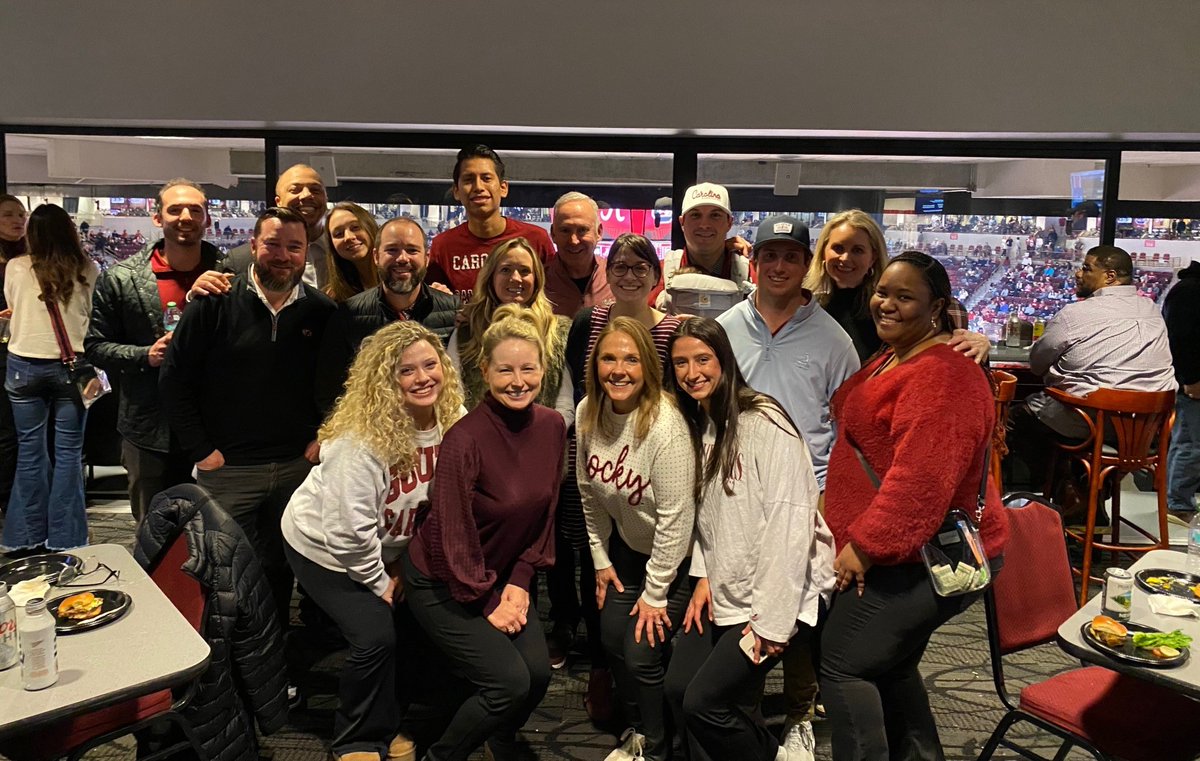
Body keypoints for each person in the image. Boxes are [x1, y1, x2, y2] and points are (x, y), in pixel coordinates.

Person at [820, 251, 1008, 761]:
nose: (887, 304)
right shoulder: (894, 355)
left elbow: (921, 483)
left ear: (936, 307)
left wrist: (866, 545)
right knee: (891, 665)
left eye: (905, 297)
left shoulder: (945, 375)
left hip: (920, 556)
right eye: (883, 292)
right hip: (898, 552)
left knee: (844, 665)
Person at [282, 321, 465, 761]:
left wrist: (403, 566)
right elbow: (348, 532)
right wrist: (380, 583)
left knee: (423, 616)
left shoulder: (452, 418)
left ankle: (402, 711)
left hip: (392, 546)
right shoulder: (360, 440)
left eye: (430, 364)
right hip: (324, 546)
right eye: (406, 371)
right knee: (375, 634)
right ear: (384, 382)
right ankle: (358, 738)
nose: (423, 378)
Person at [715, 215, 857, 759]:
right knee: (742, 601)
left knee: (800, 608)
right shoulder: (727, 325)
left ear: (806, 265)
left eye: (790, 257)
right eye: (769, 255)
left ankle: (799, 713)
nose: (778, 266)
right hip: (736, 488)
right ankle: (745, 709)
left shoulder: (833, 338)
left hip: (807, 490)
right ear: (756, 262)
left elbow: (848, 426)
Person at [664, 317, 835, 761]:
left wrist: (773, 623)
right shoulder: (700, 423)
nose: (691, 372)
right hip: (725, 585)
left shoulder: (764, 421)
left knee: (706, 703)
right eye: (680, 363)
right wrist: (701, 575)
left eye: (702, 359)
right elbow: (708, 517)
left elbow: (790, 525)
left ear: (725, 361)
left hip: (774, 596)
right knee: (680, 688)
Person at [160, 206, 336, 628]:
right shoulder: (212, 304)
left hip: (296, 467)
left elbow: (338, 386)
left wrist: (324, 436)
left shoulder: (321, 312)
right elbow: (174, 379)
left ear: (305, 252)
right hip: (229, 470)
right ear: (253, 245)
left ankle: (271, 659)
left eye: (293, 247)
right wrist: (202, 450)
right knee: (223, 570)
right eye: (272, 244)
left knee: (279, 567)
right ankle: (222, 666)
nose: (282, 255)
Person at [403, 305, 567, 761]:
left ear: (542, 370)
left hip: (498, 574)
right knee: (507, 683)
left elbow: (545, 516)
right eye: (505, 369)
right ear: (484, 371)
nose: (518, 381)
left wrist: (519, 579)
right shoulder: (465, 438)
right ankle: (443, 755)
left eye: (528, 369)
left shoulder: (553, 426)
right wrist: (488, 601)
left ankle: (498, 734)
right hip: (442, 579)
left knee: (536, 675)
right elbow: (452, 538)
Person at [558, 233, 684, 717]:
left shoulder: (673, 328)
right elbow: (578, 388)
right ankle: (604, 667)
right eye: (620, 266)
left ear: (657, 275)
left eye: (640, 267)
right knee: (596, 565)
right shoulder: (588, 321)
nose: (629, 275)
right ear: (606, 273)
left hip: (652, 465)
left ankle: (651, 664)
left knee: (646, 563)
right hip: (596, 455)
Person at [576, 317, 695, 761]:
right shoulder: (589, 410)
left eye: (631, 359)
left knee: (641, 654)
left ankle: (660, 747)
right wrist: (600, 559)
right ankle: (642, 728)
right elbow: (588, 493)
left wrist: (657, 593)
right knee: (610, 638)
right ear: (596, 364)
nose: (619, 369)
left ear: (647, 366)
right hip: (626, 550)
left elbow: (676, 520)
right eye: (609, 358)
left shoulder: (666, 425)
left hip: (677, 560)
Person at [85, 178, 226, 522]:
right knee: (155, 534)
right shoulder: (120, 277)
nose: (186, 216)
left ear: (207, 218)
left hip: (218, 428)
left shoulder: (229, 274)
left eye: (196, 209)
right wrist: (144, 355)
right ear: (157, 218)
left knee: (221, 535)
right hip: (149, 430)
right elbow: (95, 346)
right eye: (175, 209)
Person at [1011, 245, 1176, 498]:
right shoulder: (1152, 310)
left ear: (1110, 277)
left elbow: (1036, 364)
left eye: (1087, 268)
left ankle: (1041, 505)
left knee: (1017, 419)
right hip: (1144, 430)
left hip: (1089, 424)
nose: (1079, 274)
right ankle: (1086, 500)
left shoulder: (1075, 314)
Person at [1, 203, 99, 553]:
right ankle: (67, 538)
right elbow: (88, 315)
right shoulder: (89, 267)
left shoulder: (15, 266)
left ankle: (24, 537)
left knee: (30, 451)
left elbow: (12, 306)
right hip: (71, 367)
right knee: (69, 453)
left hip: (23, 366)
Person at [315, 217, 459, 417]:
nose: (402, 258)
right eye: (392, 250)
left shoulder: (453, 312)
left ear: (426, 258)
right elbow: (329, 391)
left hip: (436, 430)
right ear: (376, 256)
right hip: (372, 433)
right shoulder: (348, 315)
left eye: (412, 250)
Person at [804, 210, 987, 363]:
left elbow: (951, 343)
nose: (845, 258)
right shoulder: (806, 305)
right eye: (838, 248)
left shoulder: (885, 310)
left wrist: (980, 342)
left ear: (873, 257)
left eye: (857, 250)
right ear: (823, 252)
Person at [447, 237, 572, 422]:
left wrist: (543, 435)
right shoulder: (466, 332)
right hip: (481, 442)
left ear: (536, 279)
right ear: (491, 277)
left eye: (524, 271)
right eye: (505, 270)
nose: (515, 278)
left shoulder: (558, 331)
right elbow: (452, 397)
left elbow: (565, 404)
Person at [426, 145, 555, 302]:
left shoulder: (536, 239)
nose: (478, 187)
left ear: (503, 188)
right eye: (468, 180)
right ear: (456, 191)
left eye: (486, 179)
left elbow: (554, 296)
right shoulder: (443, 246)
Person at [213, 164, 332, 290]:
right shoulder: (238, 261)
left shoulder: (346, 252)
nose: (306, 195)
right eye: (295, 190)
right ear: (278, 202)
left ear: (326, 199)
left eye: (315, 190)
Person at [655, 183, 752, 317]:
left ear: (729, 222)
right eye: (696, 215)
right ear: (682, 222)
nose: (704, 225)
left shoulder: (750, 275)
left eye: (715, 215)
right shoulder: (656, 274)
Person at [1164, 259, 1200, 522]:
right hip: (1193, 381)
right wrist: (1191, 378)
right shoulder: (1189, 290)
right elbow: (1181, 339)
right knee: (1191, 443)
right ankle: (1178, 504)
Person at [0, 193, 29, 515]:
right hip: (4, 356)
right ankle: (8, 502)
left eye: (21, 215)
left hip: (28, 356)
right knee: (7, 435)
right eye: (9, 214)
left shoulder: (32, 260)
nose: (17, 220)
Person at [543, 191, 613, 316]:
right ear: (553, 234)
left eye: (582, 230)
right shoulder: (538, 282)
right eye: (565, 230)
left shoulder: (616, 278)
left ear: (599, 232)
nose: (574, 241)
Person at [322, 201, 381, 302]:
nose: (349, 237)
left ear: (370, 227)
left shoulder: (399, 278)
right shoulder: (331, 297)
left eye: (355, 227)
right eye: (338, 234)